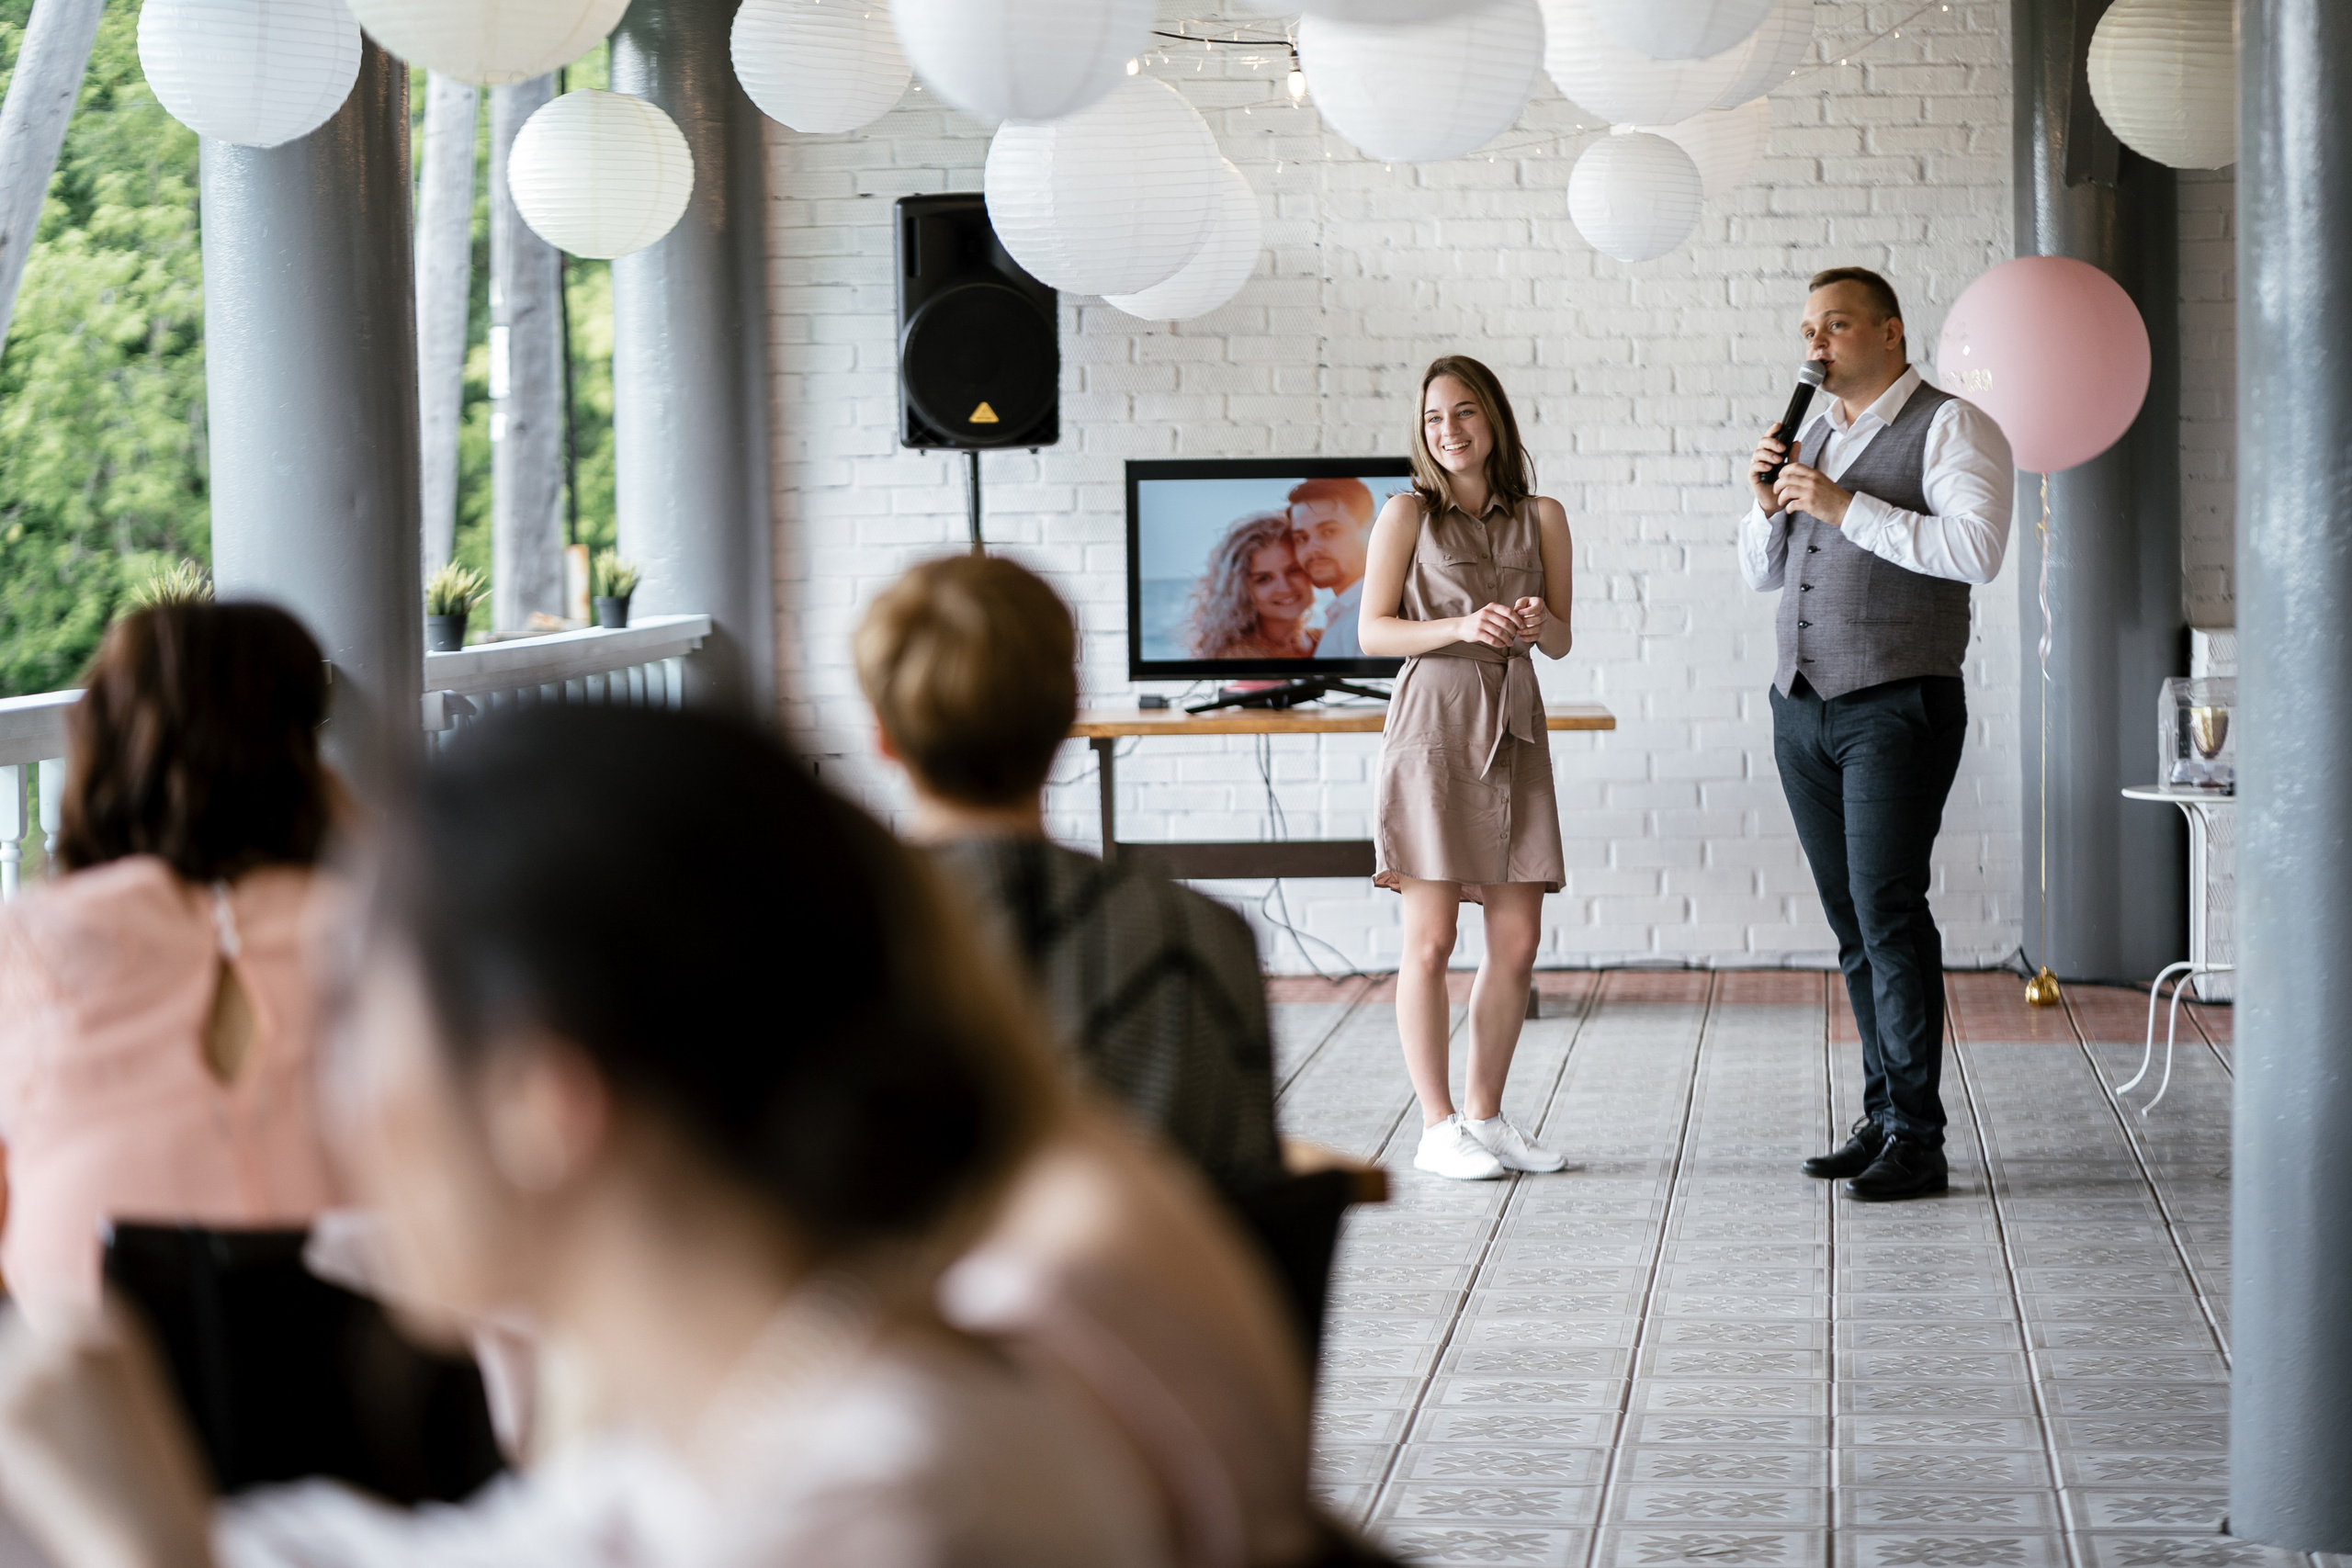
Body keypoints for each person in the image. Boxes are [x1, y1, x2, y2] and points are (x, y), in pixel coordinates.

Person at [0, 705, 1173, 1568]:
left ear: (542, 1104)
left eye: (362, 1031)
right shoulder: (734, 1437)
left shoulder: (889, 1505)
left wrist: (136, 1551)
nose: (340, 1102)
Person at [857, 554, 1285, 1201]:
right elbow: (1241, 1198)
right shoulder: (1204, 935)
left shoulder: (819, 938)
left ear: (882, 735)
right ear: (1067, 714)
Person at [1741, 265, 2014, 1202]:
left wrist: (1843, 505)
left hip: (1896, 705)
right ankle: (1883, 1114)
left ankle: (1920, 1139)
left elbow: (1976, 551)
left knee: (1889, 912)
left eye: (1837, 325)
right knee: (1853, 921)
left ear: (1892, 333)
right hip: (1803, 705)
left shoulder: (1951, 425)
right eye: (1809, 327)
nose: (1814, 343)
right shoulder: (1813, 431)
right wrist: (1763, 500)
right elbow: (1762, 575)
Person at [0, 601, 344, 1321]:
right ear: (303, 756)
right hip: (373, 1401)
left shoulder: (31, 941)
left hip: (101, 1403)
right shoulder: (386, 934)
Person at [1359, 355, 1577, 1183]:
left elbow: (1561, 638)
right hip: (1435, 729)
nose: (1448, 431)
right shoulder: (1406, 514)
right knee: (1433, 938)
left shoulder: (1545, 515)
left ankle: (1484, 1117)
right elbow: (1373, 632)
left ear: (1493, 419)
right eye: (1433, 419)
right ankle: (1436, 1124)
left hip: (1516, 727)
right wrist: (1459, 626)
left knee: (1517, 941)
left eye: (1463, 413)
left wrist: (1532, 620)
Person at [1185, 513, 1318, 660]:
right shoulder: (1241, 659)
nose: (1285, 587)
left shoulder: (1325, 639)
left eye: (1293, 570)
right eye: (1263, 579)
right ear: (1241, 590)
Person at [1286, 478, 1377, 660]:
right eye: (1302, 538)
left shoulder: (1372, 617)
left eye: (1329, 531)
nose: (1313, 548)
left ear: (1371, 529)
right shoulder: (1344, 614)